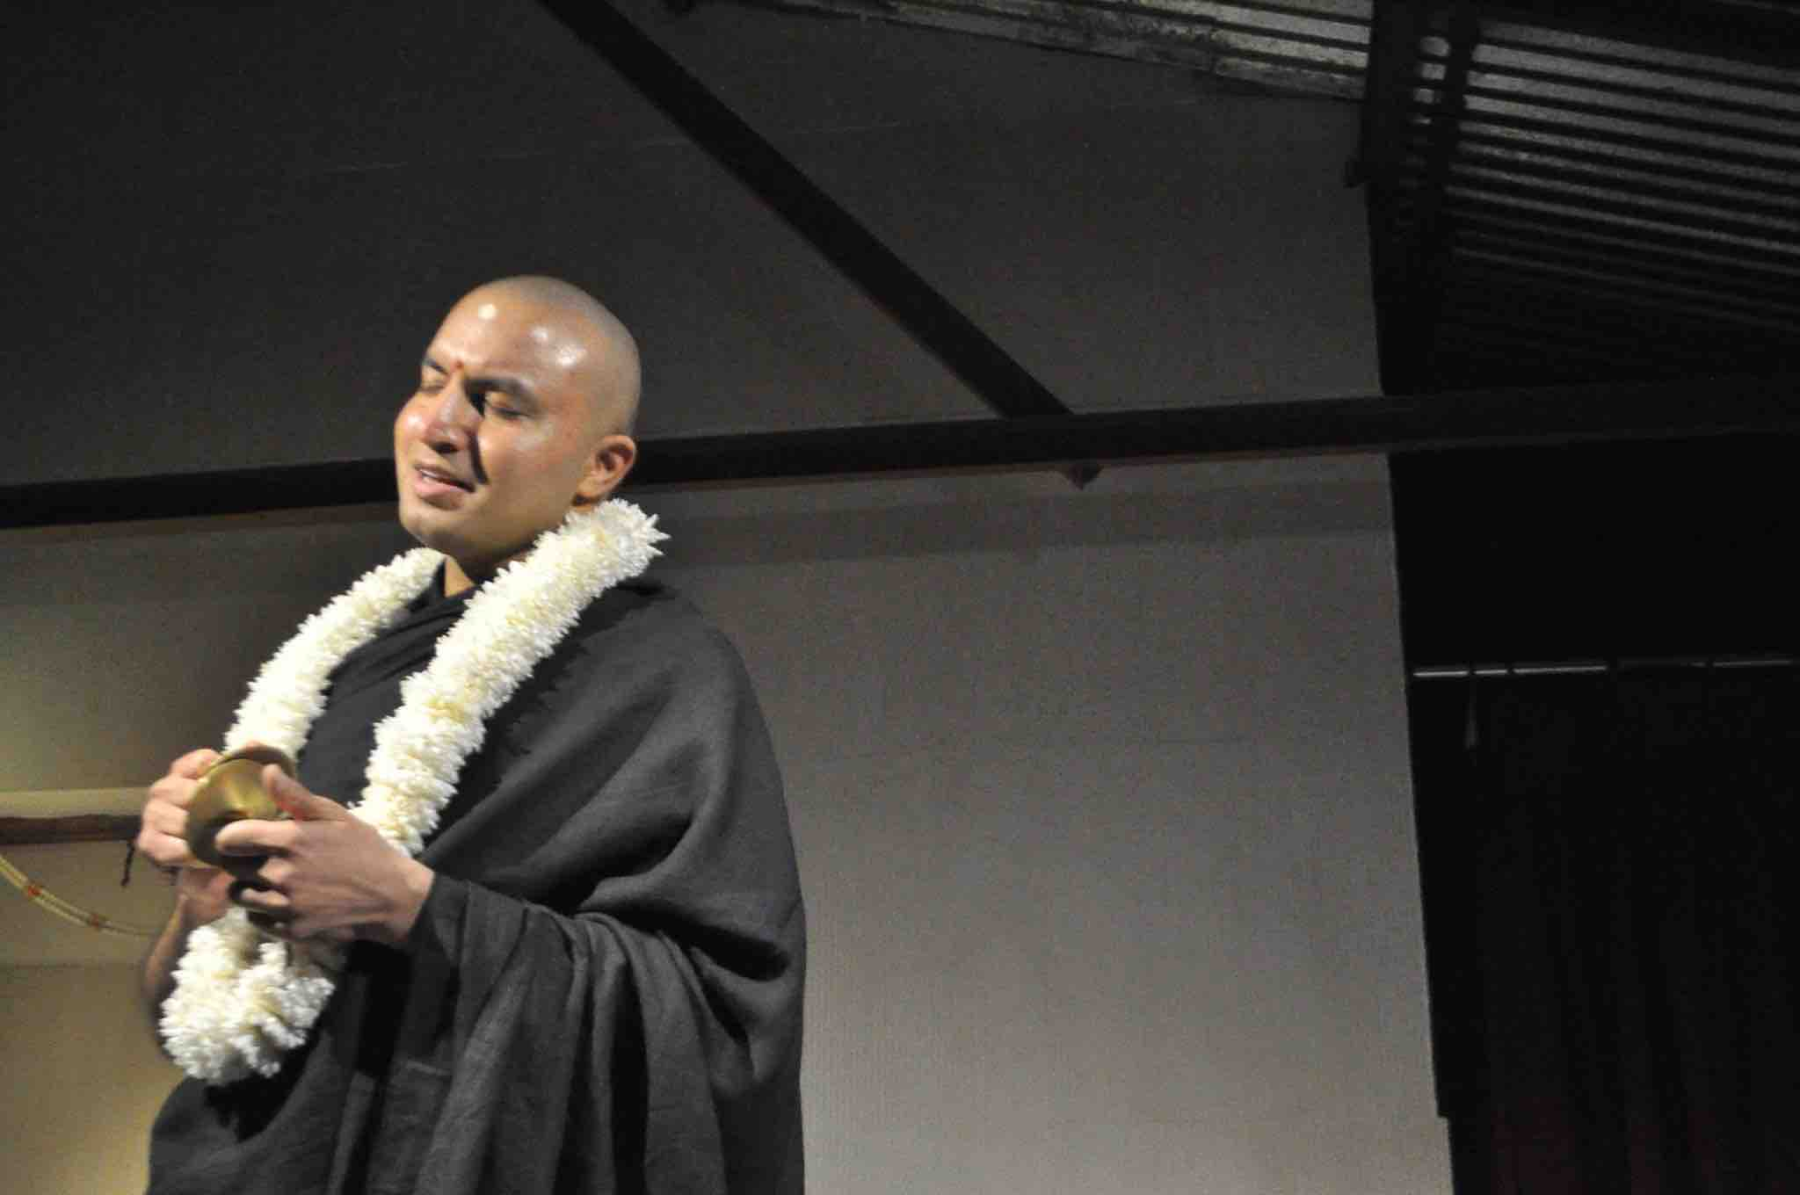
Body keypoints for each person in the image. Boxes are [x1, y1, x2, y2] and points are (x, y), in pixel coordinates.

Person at [133, 276, 805, 1194]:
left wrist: (414, 908)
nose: (440, 425)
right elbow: (186, 1024)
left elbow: (720, 1020)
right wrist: (198, 903)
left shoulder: (657, 671)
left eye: (500, 404)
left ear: (602, 468)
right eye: (430, 381)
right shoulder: (336, 666)